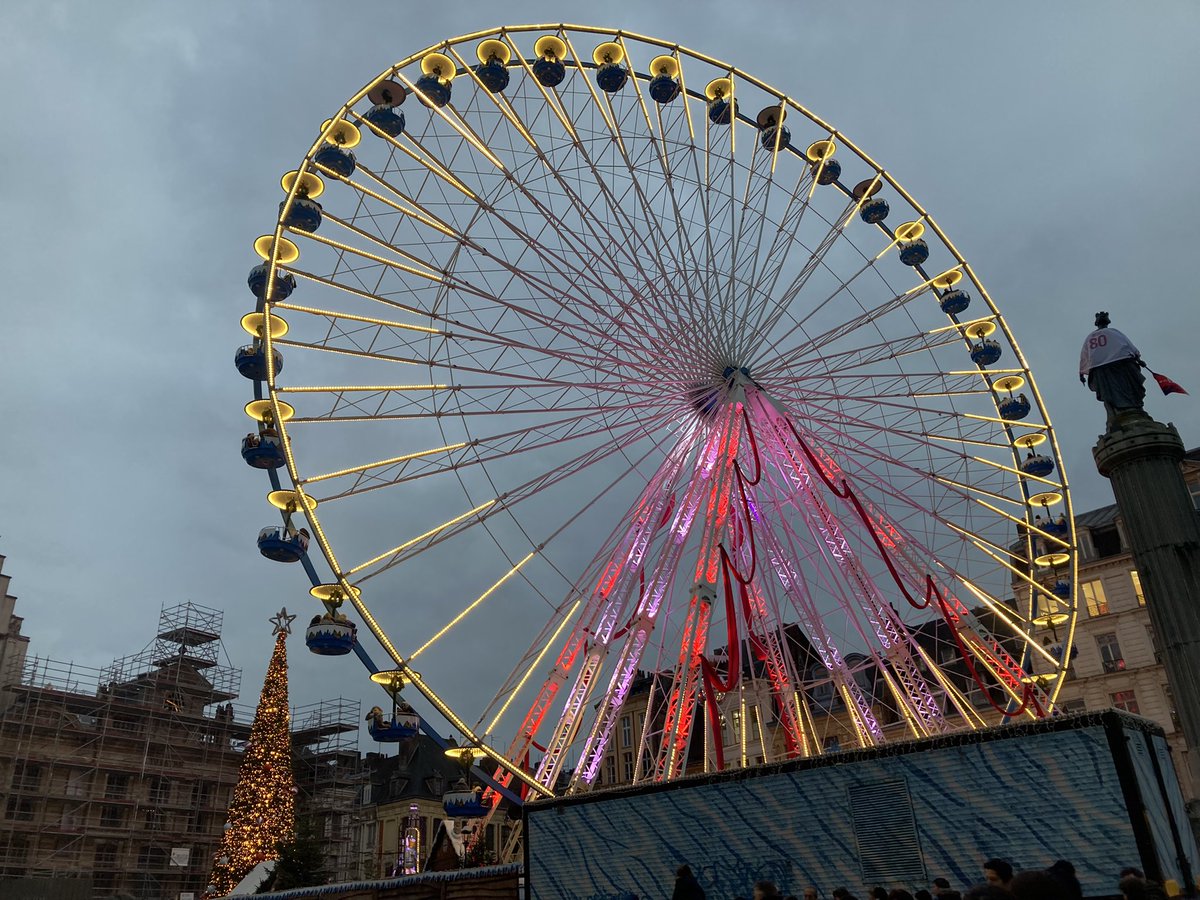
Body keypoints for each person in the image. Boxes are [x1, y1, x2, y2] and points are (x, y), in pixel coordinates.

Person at [1079, 311, 1146, 426]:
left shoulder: (1094, 337)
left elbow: (1085, 356)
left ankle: (1128, 411)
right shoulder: (1112, 333)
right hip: (1109, 369)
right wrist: (1138, 358)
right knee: (1117, 391)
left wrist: (1082, 372)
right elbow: (1128, 346)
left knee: (1122, 390)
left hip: (1114, 367)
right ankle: (1122, 413)